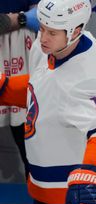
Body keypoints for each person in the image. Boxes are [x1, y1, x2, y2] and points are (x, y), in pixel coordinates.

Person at [0, 0, 96, 204]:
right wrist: (4, 88)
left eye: (51, 32)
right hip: (47, 180)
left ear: (76, 30)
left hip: (71, 188)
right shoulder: (53, 45)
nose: (43, 37)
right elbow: (45, 87)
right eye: (42, 27)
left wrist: (91, 176)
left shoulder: (89, 73)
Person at [1, 1, 39, 178]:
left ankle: (41, 196)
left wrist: (37, 14)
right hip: (18, 23)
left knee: (29, 129)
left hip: (24, 38)